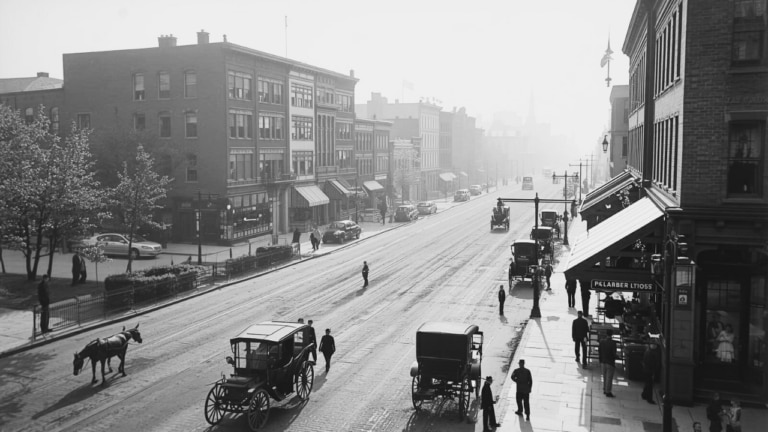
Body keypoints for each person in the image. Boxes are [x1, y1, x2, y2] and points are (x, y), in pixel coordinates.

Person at [598, 329, 617, 397]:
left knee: (605, 377)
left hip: (603, 361)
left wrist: (600, 360)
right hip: (610, 362)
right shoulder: (613, 343)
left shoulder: (602, 341)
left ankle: (605, 389)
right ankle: (608, 391)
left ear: (606, 334)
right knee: (609, 378)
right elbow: (614, 353)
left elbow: (599, 351)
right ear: (612, 334)